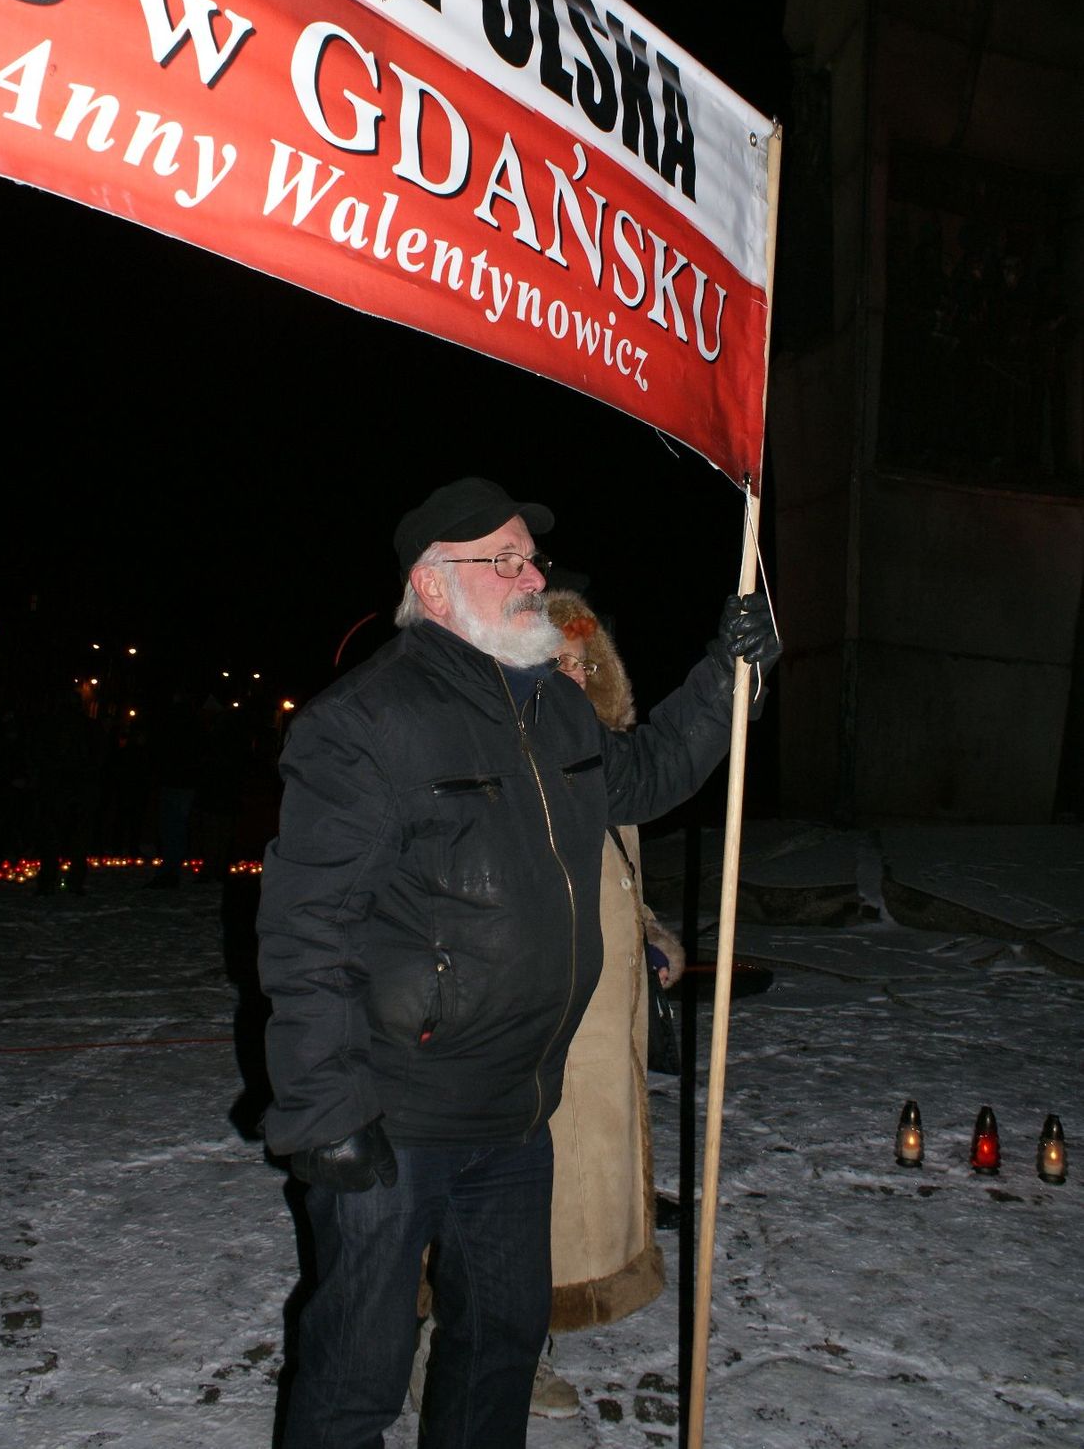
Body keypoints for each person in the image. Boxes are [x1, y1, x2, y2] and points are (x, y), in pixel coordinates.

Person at [257, 476, 779, 1449]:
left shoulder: (559, 712)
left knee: (499, 1349)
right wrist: (327, 1110)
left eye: (531, 557)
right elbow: (307, 929)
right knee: (356, 1375)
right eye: (506, 560)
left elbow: (653, 773)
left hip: (517, 1109)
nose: (534, 575)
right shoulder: (367, 722)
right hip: (397, 1114)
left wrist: (728, 675)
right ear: (436, 585)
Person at [528, 589, 684, 1419]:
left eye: (583, 661)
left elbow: (623, 878)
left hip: (604, 1023)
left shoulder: (609, 764)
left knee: (568, 1193)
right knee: (520, 1197)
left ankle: (525, 1336)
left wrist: (655, 934)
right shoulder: (523, 763)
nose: (571, 673)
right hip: (542, 1018)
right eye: (555, 658)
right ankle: (485, 1350)